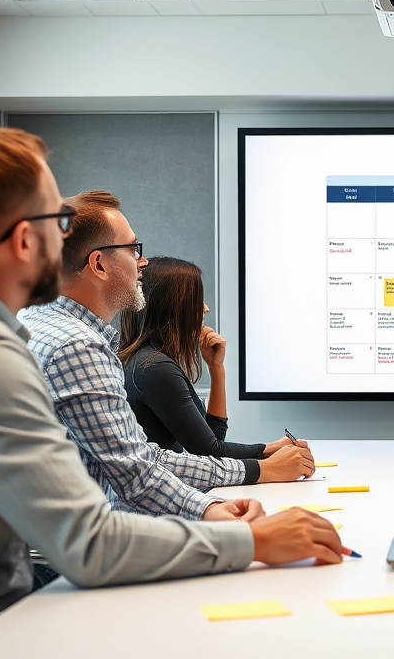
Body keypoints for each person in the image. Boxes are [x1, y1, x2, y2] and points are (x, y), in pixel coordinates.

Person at [0, 128, 342, 631]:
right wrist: (254, 541)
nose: (65, 236)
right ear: (26, 238)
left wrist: (212, 511)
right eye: (59, 219)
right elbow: (89, 545)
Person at [20, 191, 314, 523]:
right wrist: (240, 488)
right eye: (133, 249)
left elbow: (142, 457)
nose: (142, 262)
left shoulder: (37, 321)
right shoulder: (77, 347)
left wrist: (248, 474)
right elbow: (136, 475)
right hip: (73, 547)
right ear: (99, 264)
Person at [119, 256, 283, 459]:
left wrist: (216, 368)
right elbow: (209, 451)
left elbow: (213, 438)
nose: (205, 308)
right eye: (195, 299)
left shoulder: (149, 361)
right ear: (172, 306)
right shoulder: (153, 367)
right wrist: (272, 450)